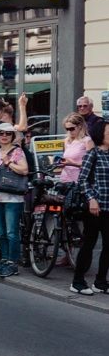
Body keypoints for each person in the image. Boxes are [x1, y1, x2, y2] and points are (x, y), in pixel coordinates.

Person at [0, 122, 29, 277]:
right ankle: (4, 260)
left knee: (12, 232)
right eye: (1, 134)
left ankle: (13, 263)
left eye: (8, 134)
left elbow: (25, 170)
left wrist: (9, 162)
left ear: (12, 136)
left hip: (13, 197)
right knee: (2, 231)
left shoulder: (17, 152)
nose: (4, 136)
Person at [71, 121, 109, 295]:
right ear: (101, 135)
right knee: (89, 243)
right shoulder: (93, 154)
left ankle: (100, 281)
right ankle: (78, 281)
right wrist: (91, 199)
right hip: (95, 207)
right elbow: (83, 180)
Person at [57, 113, 92, 183]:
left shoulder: (87, 141)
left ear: (80, 126)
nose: (69, 131)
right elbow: (65, 159)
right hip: (65, 179)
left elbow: (91, 164)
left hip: (79, 179)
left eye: (72, 129)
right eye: (67, 129)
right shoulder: (66, 141)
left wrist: (72, 163)